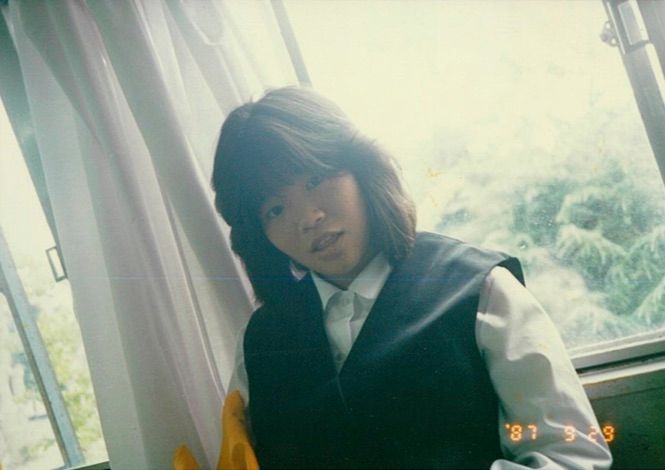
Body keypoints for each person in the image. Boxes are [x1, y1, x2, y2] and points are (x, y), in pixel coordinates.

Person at [211, 86, 612, 469]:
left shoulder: (481, 291)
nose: (309, 218)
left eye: (315, 180)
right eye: (276, 209)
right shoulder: (259, 342)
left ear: (362, 169)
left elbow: (570, 455)